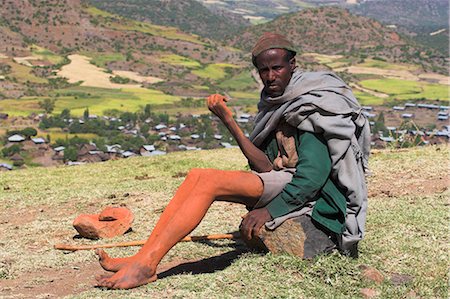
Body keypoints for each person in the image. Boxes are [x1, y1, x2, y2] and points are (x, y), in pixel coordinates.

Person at [95, 32, 370, 290]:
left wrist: (271, 210)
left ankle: (146, 265)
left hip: (313, 190)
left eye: (277, 68)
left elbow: (313, 174)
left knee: (210, 182)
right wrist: (228, 120)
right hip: (285, 179)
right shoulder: (278, 101)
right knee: (198, 176)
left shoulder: (311, 101)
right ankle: (144, 257)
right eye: (264, 70)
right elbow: (264, 166)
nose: (271, 76)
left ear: (293, 64)